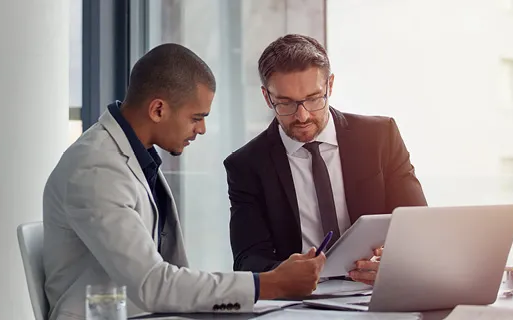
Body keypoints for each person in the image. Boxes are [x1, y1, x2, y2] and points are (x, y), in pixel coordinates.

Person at [42, 43, 326, 319]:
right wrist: (270, 284)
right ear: (158, 110)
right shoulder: (96, 169)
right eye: (196, 118)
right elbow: (152, 285)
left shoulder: (133, 156)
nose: (201, 129)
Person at [224, 34, 427, 286]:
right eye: (285, 103)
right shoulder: (246, 165)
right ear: (267, 97)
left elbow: (420, 227)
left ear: (330, 86)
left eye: (313, 98)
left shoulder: (380, 136)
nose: (302, 116)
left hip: (378, 291)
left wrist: (397, 262)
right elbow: (247, 259)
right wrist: (284, 274)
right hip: (300, 301)